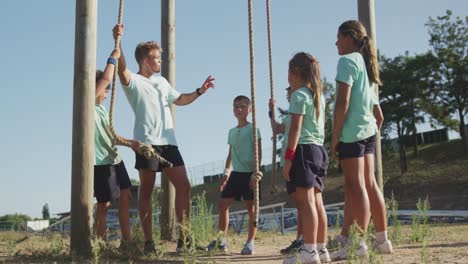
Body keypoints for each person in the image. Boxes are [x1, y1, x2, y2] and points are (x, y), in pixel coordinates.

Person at [112, 24, 215, 254]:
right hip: (146, 144)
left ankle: (184, 240)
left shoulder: (162, 82)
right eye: (157, 58)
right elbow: (122, 69)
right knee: (147, 193)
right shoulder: (134, 82)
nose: (160, 61)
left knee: (184, 186)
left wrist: (199, 91)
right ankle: (149, 242)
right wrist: (117, 41)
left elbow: (180, 100)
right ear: (146, 61)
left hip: (169, 142)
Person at [329, 20, 393, 261]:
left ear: (349, 37)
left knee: (356, 188)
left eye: (338, 37)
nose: (335, 42)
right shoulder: (366, 64)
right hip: (367, 132)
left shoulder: (346, 61)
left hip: (352, 134)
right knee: (370, 184)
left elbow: (342, 103)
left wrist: (334, 138)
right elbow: (379, 114)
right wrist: (370, 129)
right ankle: (382, 240)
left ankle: (357, 245)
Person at [282, 52, 329, 264]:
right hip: (319, 150)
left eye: (288, 73)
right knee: (317, 202)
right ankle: (320, 249)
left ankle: (309, 252)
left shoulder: (299, 96)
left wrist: (289, 158)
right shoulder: (318, 96)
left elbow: (295, 129)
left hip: (303, 150)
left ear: (295, 73)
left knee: (307, 202)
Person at [94, 47, 140, 249]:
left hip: (115, 159)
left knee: (126, 195)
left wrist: (130, 143)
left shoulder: (102, 111)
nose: (105, 94)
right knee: (104, 205)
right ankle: (101, 245)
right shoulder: (85, 105)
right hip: (100, 162)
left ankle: (126, 241)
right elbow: (105, 79)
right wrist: (113, 58)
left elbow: (111, 136)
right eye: (104, 91)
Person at [205, 95, 262, 255]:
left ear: (249, 110)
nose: (239, 109)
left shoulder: (254, 129)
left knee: (251, 208)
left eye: (242, 106)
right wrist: (226, 173)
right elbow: (231, 154)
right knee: (223, 203)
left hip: (250, 174)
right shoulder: (231, 132)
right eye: (236, 106)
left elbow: (259, 152)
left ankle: (250, 242)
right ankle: (221, 240)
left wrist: (255, 174)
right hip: (235, 174)